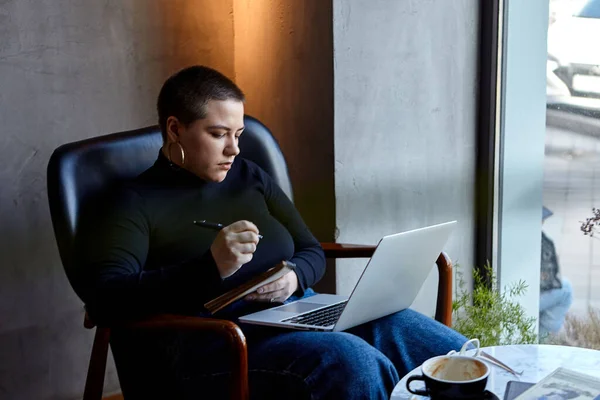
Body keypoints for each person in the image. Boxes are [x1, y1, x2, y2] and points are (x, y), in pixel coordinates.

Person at [76, 65, 468, 399]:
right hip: (215, 344)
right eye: (218, 134)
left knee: (439, 347)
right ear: (175, 129)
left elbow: (310, 250)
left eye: (238, 134)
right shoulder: (132, 202)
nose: (233, 149)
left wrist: (295, 275)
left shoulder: (247, 176)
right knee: (353, 361)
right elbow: (107, 299)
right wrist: (210, 267)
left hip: (293, 313)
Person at [539, 206, 573, 339]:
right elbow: (548, 279)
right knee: (566, 291)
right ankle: (541, 340)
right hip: (519, 296)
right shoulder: (539, 241)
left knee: (564, 286)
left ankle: (540, 337)